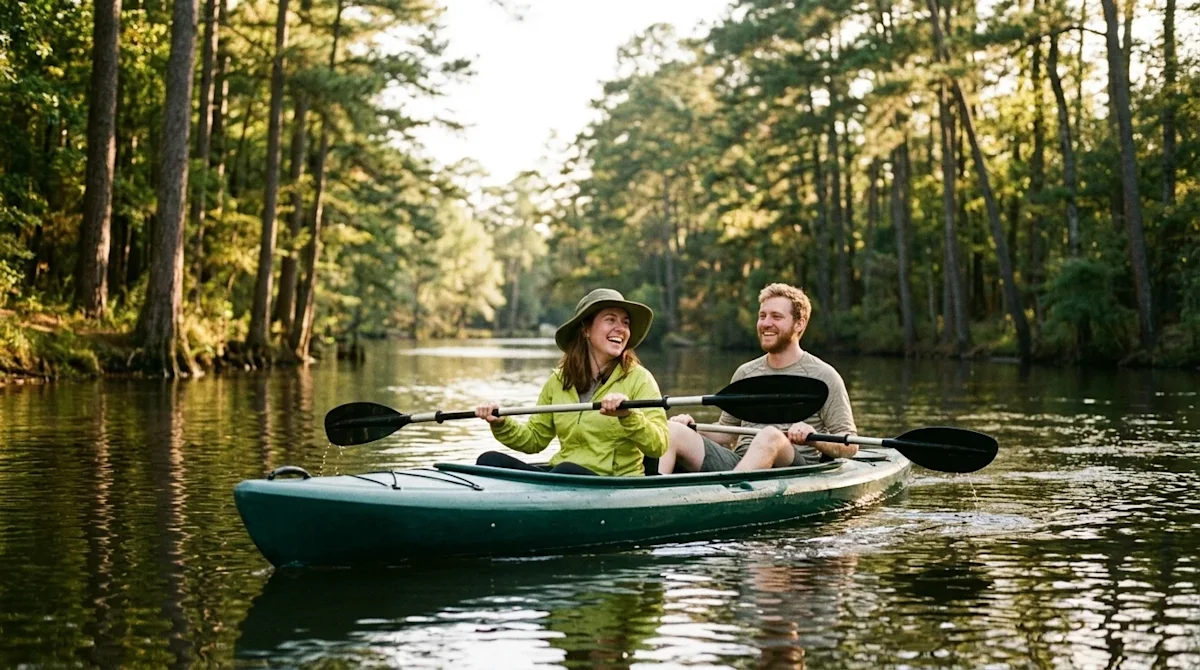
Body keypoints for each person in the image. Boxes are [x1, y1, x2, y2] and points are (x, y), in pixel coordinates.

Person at [656, 283, 858, 474]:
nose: (766, 323)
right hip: (740, 463)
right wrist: (693, 427)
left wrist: (813, 438)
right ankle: (653, 492)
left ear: (799, 323)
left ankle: (733, 493)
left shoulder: (824, 376)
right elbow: (726, 435)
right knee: (673, 430)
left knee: (770, 435)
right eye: (762, 316)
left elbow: (850, 446)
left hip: (793, 468)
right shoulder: (746, 373)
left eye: (776, 316)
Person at [474, 288, 669, 476]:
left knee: (567, 470)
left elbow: (659, 445)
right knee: (489, 460)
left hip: (611, 482)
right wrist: (501, 423)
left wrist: (628, 415)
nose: (621, 329)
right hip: (563, 476)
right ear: (586, 329)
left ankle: (548, 487)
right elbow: (534, 439)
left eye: (625, 323)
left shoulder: (640, 379)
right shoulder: (558, 381)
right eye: (610, 320)